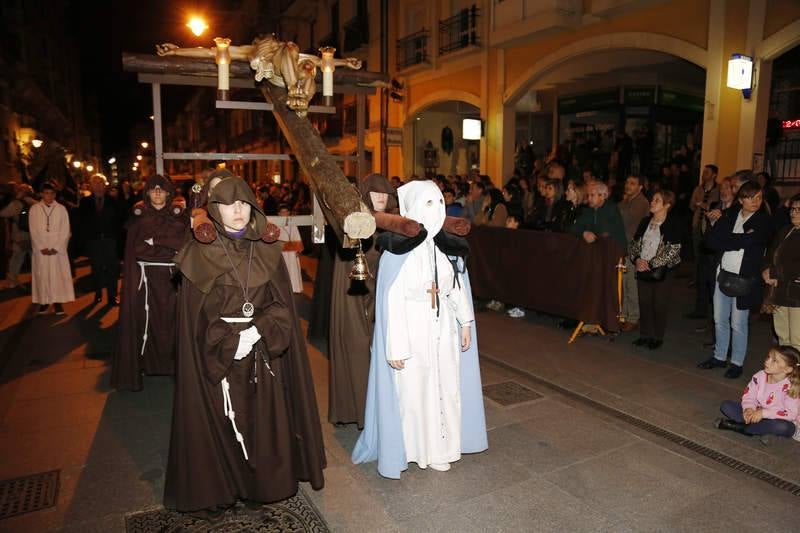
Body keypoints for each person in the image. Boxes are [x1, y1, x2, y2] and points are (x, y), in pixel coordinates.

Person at [164, 176, 325, 517]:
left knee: (263, 422)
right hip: (218, 356)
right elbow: (194, 318)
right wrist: (228, 339)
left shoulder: (266, 249)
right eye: (227, 204)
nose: (237, 210)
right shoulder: (198, 252)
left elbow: (280, 303)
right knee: (222, 422)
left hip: (263, 352)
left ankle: (263, 485)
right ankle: (224, 487)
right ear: (214, 209)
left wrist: (259, 330)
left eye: (242, 203)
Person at [352, 180, 487, 478]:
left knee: (446, 389)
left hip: (443, 334)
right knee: (417, 395)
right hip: (414, 335)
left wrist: (465, 322)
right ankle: (420, 450)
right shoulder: (398, 253)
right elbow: (393, 302)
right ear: (412, 209)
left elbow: (454, 287)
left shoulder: (443, 248)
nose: (437, 210)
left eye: (439, 203)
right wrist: (396, 346)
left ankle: (446, 446)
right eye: (428, 204)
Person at [112, 175, 189, 392]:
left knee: (172, 322)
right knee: (147, 322)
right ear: (147, 193)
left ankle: (173, 365)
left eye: (161, 189)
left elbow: (182, 246)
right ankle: (148, 365)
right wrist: (166, 248)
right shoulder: (139, 219)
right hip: (146, 281)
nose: (157, 193)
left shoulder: (179, 218)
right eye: (153, 189)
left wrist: (157, 242)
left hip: (171, 279)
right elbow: (137, 250)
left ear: (168, 193)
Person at [698, 181, 772, 379]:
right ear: (741, 199)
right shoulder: (730, 215)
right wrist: (739, 239)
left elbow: (752, 241)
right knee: (719, 319)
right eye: (750, 197)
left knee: (739, 323)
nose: (755, 201)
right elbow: (711, 241)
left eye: (759, 197)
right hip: (722, 273)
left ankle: (737, 363)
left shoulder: (763, 221)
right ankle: (719, 356)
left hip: (744, 278)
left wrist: (729, 239)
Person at [628, 190, 682, 349]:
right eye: (653, 199)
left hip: (664, 270)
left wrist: (651, 264)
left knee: (659, 303)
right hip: (642, 266)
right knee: (644, 302)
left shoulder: (673, 223)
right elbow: (634, 243)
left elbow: (673, 250)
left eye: (657, 200)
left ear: (667, 205)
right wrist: (636, 259)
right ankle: (645, 335)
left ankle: (657, 337)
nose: (652, 202)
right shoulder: (645, 221)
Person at [715, 346, 800, 440]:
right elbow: (749, 395)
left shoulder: (792, 386)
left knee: (785, 428)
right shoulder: (760, 376)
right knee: (726, 406)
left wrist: (763, 413)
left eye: (774, 360)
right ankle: (761, 431)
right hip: (756, 412)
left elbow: (791, 414)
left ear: (787, 369)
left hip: (777, 419)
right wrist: (748, 409)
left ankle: (741, 427)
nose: (767, 361)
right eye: (768, 357)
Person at [29, 182, 75, 315]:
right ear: (41, 194)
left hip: (57, 249)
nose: (49, 196)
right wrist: (41, 247)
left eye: (51, 193)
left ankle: (58, 302)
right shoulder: (35, 209)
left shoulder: (61, 209)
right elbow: (33, 230)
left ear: (55, 194)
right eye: (46, 193)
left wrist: (57, 247)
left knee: (57, 275)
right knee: (42, 275)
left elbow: (66, 229)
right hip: (41, 249)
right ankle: (44, 301)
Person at [762, 194, 800, 351]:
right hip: (779, 292)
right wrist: (766, 270)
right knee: (783, 337)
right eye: (792, 209)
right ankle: (787, 373)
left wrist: (774, 272)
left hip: (797, 295)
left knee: (797, 339)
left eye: (799, 210)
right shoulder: (787, 229)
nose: (794, 213)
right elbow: (770, 253)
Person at [78, 174, 122, 304]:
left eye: (100, 183)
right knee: (96, 269)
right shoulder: (85, 202)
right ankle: (97, 293)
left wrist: (118, 241)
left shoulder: (113, 201)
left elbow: (119, 221)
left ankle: (112, 296)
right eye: (95, 183)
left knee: (112, 269)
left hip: (110, 241)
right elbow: (82, 223)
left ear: (105, 185)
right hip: (94, 241)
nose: (98, 186)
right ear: (91, 186)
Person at [617, 176, 651, 332]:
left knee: (631, 284)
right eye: (627, 182)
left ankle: (633, 317)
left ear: (640, 187)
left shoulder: (641, 202)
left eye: (633, 183)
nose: (628, 185)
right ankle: (623, 314)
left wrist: (621, 205)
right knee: (622, 282)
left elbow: (626, 218)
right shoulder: (626, 201)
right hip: (623, 245)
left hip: (634, 248)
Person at [687, 164, 720, 319]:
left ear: (714, 175)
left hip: (710, 229)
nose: (704, 174)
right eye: (704, 172)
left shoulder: (718, 190)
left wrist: (705, 205)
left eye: (707, 172)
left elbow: (715, 207)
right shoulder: (698, 189)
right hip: (697, 225)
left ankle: (707, 293)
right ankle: (697, 280)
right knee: (697, 256)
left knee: (707, 261)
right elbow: (691, 205)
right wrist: (698, 204)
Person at [568, 182, 627, 251]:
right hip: (594, 251)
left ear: (602, 196)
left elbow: (604, 234)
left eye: (592, 195)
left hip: (611, 251)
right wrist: (584, 233)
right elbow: (574, 228)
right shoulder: (589, 210)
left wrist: (589, 233)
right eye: (588, 195)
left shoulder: (611, 210)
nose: (589, 199)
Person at [0, 183, 36, 290]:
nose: (16, 193)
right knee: (36, 261)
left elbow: (2, 213)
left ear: (23, 192)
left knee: (16, 260)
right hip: (34, 237)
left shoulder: (16, 204)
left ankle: (12, 281)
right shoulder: (36, 203)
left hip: (20, 236)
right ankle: (37, 281)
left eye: (19, 191)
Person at [276, 204, 304, 293]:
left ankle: (294, 287)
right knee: (283, 269)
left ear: (289, 213)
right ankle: (283, 288)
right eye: (282, 212)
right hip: (282, 251)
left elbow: (296, 235)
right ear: (279, 214)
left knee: (293, 269)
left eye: (286, 212)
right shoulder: (276, 224)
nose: (284, 214)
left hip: (292, 250)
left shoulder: (293, 224)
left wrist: (298, 249)